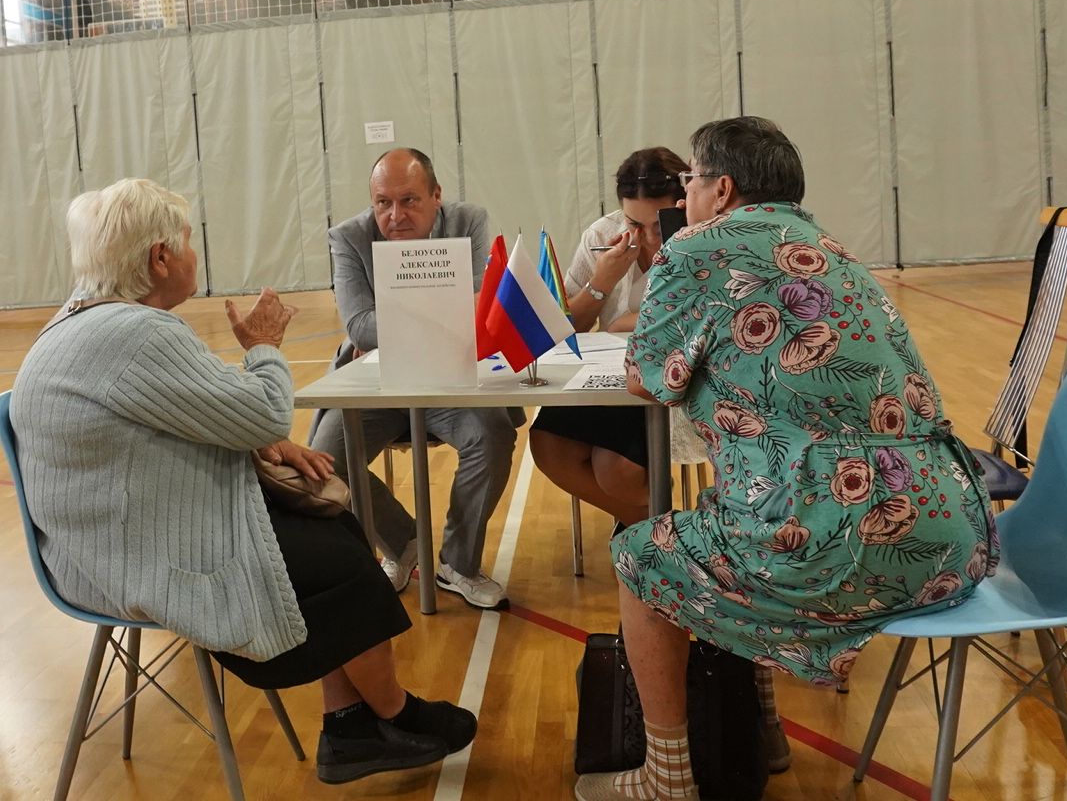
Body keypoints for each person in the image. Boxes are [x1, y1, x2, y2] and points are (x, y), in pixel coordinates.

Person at [575, 118, 1000, 801]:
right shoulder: (829, 249)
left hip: (844, 535)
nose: (684, 196)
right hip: (952, 536)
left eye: (691, 180)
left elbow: (647, 378)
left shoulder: (696, 246)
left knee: (643, 558)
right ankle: (762, 730)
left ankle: (666, 779)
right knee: (726, 526)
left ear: (722, 189)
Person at [10, 179, 476, 784]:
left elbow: (188, 413)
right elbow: (264, 411)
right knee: (341, 558)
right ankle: (389, 713)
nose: (194, 254)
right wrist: (263, 348)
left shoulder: (81, 320)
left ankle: (350, 725)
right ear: (160, 258)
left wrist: (254, 434)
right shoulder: (136, 334)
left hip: (93, 543)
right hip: (128, 557)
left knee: (332, 526)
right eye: (188, 241)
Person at [310, 148, 521, 609]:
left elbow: (479, 308)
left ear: (436, 195)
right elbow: (359, 327)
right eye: (382, 203)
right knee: (322, 464)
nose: (395, 215)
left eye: (409, 200)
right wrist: (445, 314)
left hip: (451, 374)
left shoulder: (468, 222)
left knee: (492, 434)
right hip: (378, 380)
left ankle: (458, 564)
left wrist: (393, 325)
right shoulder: (348, 237)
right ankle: (403, 543)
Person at [529, 148, 691, 529]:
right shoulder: (603, 235)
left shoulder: (698, 236)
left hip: (671, 382)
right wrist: (601, 282)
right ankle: (650, 524)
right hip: (612, 377)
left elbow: (697, 315)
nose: (647, 237)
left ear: (682, 205)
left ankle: (651, 527)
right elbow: (566, 329)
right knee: (547, 445)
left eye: (659, 224)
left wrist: (624, 323)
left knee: (616, 470)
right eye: (634, 223)